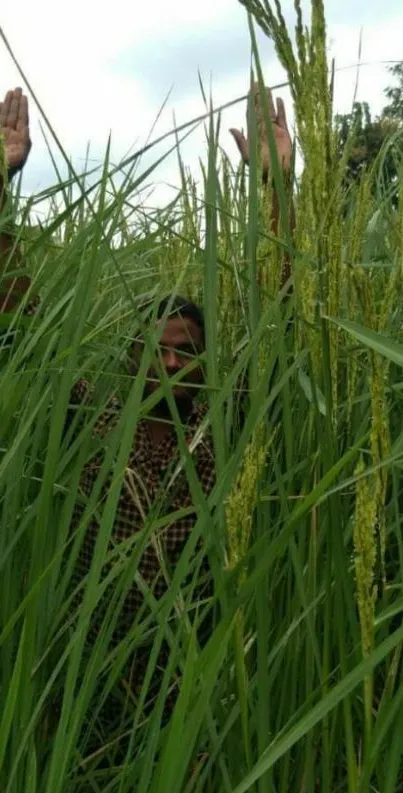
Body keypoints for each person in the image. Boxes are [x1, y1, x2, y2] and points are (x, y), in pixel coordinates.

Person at [0, 84, 292, 707]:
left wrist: (277, 193)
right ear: (132, 358)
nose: (168, 361)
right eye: (156, 348)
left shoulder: (221, 432)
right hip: (86, 687)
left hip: (189, 693)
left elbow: (283, 326)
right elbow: (23, 322)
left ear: (206, 361)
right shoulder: (93, 423)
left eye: (186, 350)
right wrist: (1, 188)